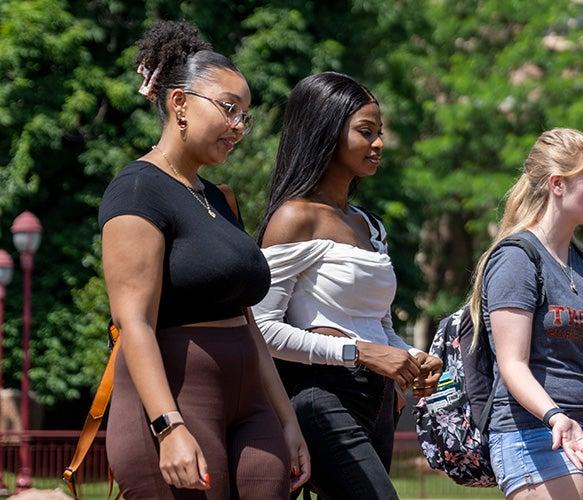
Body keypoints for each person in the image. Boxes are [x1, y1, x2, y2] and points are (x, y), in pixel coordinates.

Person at [99, 20, 309, 499]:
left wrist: (286, 419)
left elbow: (246, 318)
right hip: (177, 398)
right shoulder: (136, 189)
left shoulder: (218, 198)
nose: (238, 127)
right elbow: (132, 321)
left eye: (245, 116)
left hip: (251, 404)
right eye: (229, 109)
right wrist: (168, 426)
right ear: (179, 104)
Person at [252, 71, 442, 499]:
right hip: (322, 397)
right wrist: (359, 353)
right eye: (365, 131)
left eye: (380, 132)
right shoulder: (294, 218)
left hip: (378, 399)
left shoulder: (368, 224)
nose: (378, 144)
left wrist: (412, 358)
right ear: (326, 131)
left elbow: (379, 326)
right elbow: (261, 331)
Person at [465, 128, 583, 500]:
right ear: (557, 184)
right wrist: (555, 416)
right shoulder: (517, 259)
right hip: (532, 431)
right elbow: (513, 365)